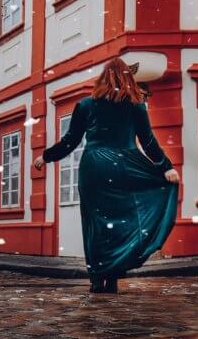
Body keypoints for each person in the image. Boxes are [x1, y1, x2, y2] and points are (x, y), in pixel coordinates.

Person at [34, 56, 180, 294]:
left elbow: (70, 141)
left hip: (94, 167)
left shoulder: (86, 105)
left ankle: (96, 276)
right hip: (124, 165)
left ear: (102, 79)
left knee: (94, 223)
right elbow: (148, 141)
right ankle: (112, 275)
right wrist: (166, 167)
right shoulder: (136, 105)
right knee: (120, 222)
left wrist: (47, 156)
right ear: (127, 78)